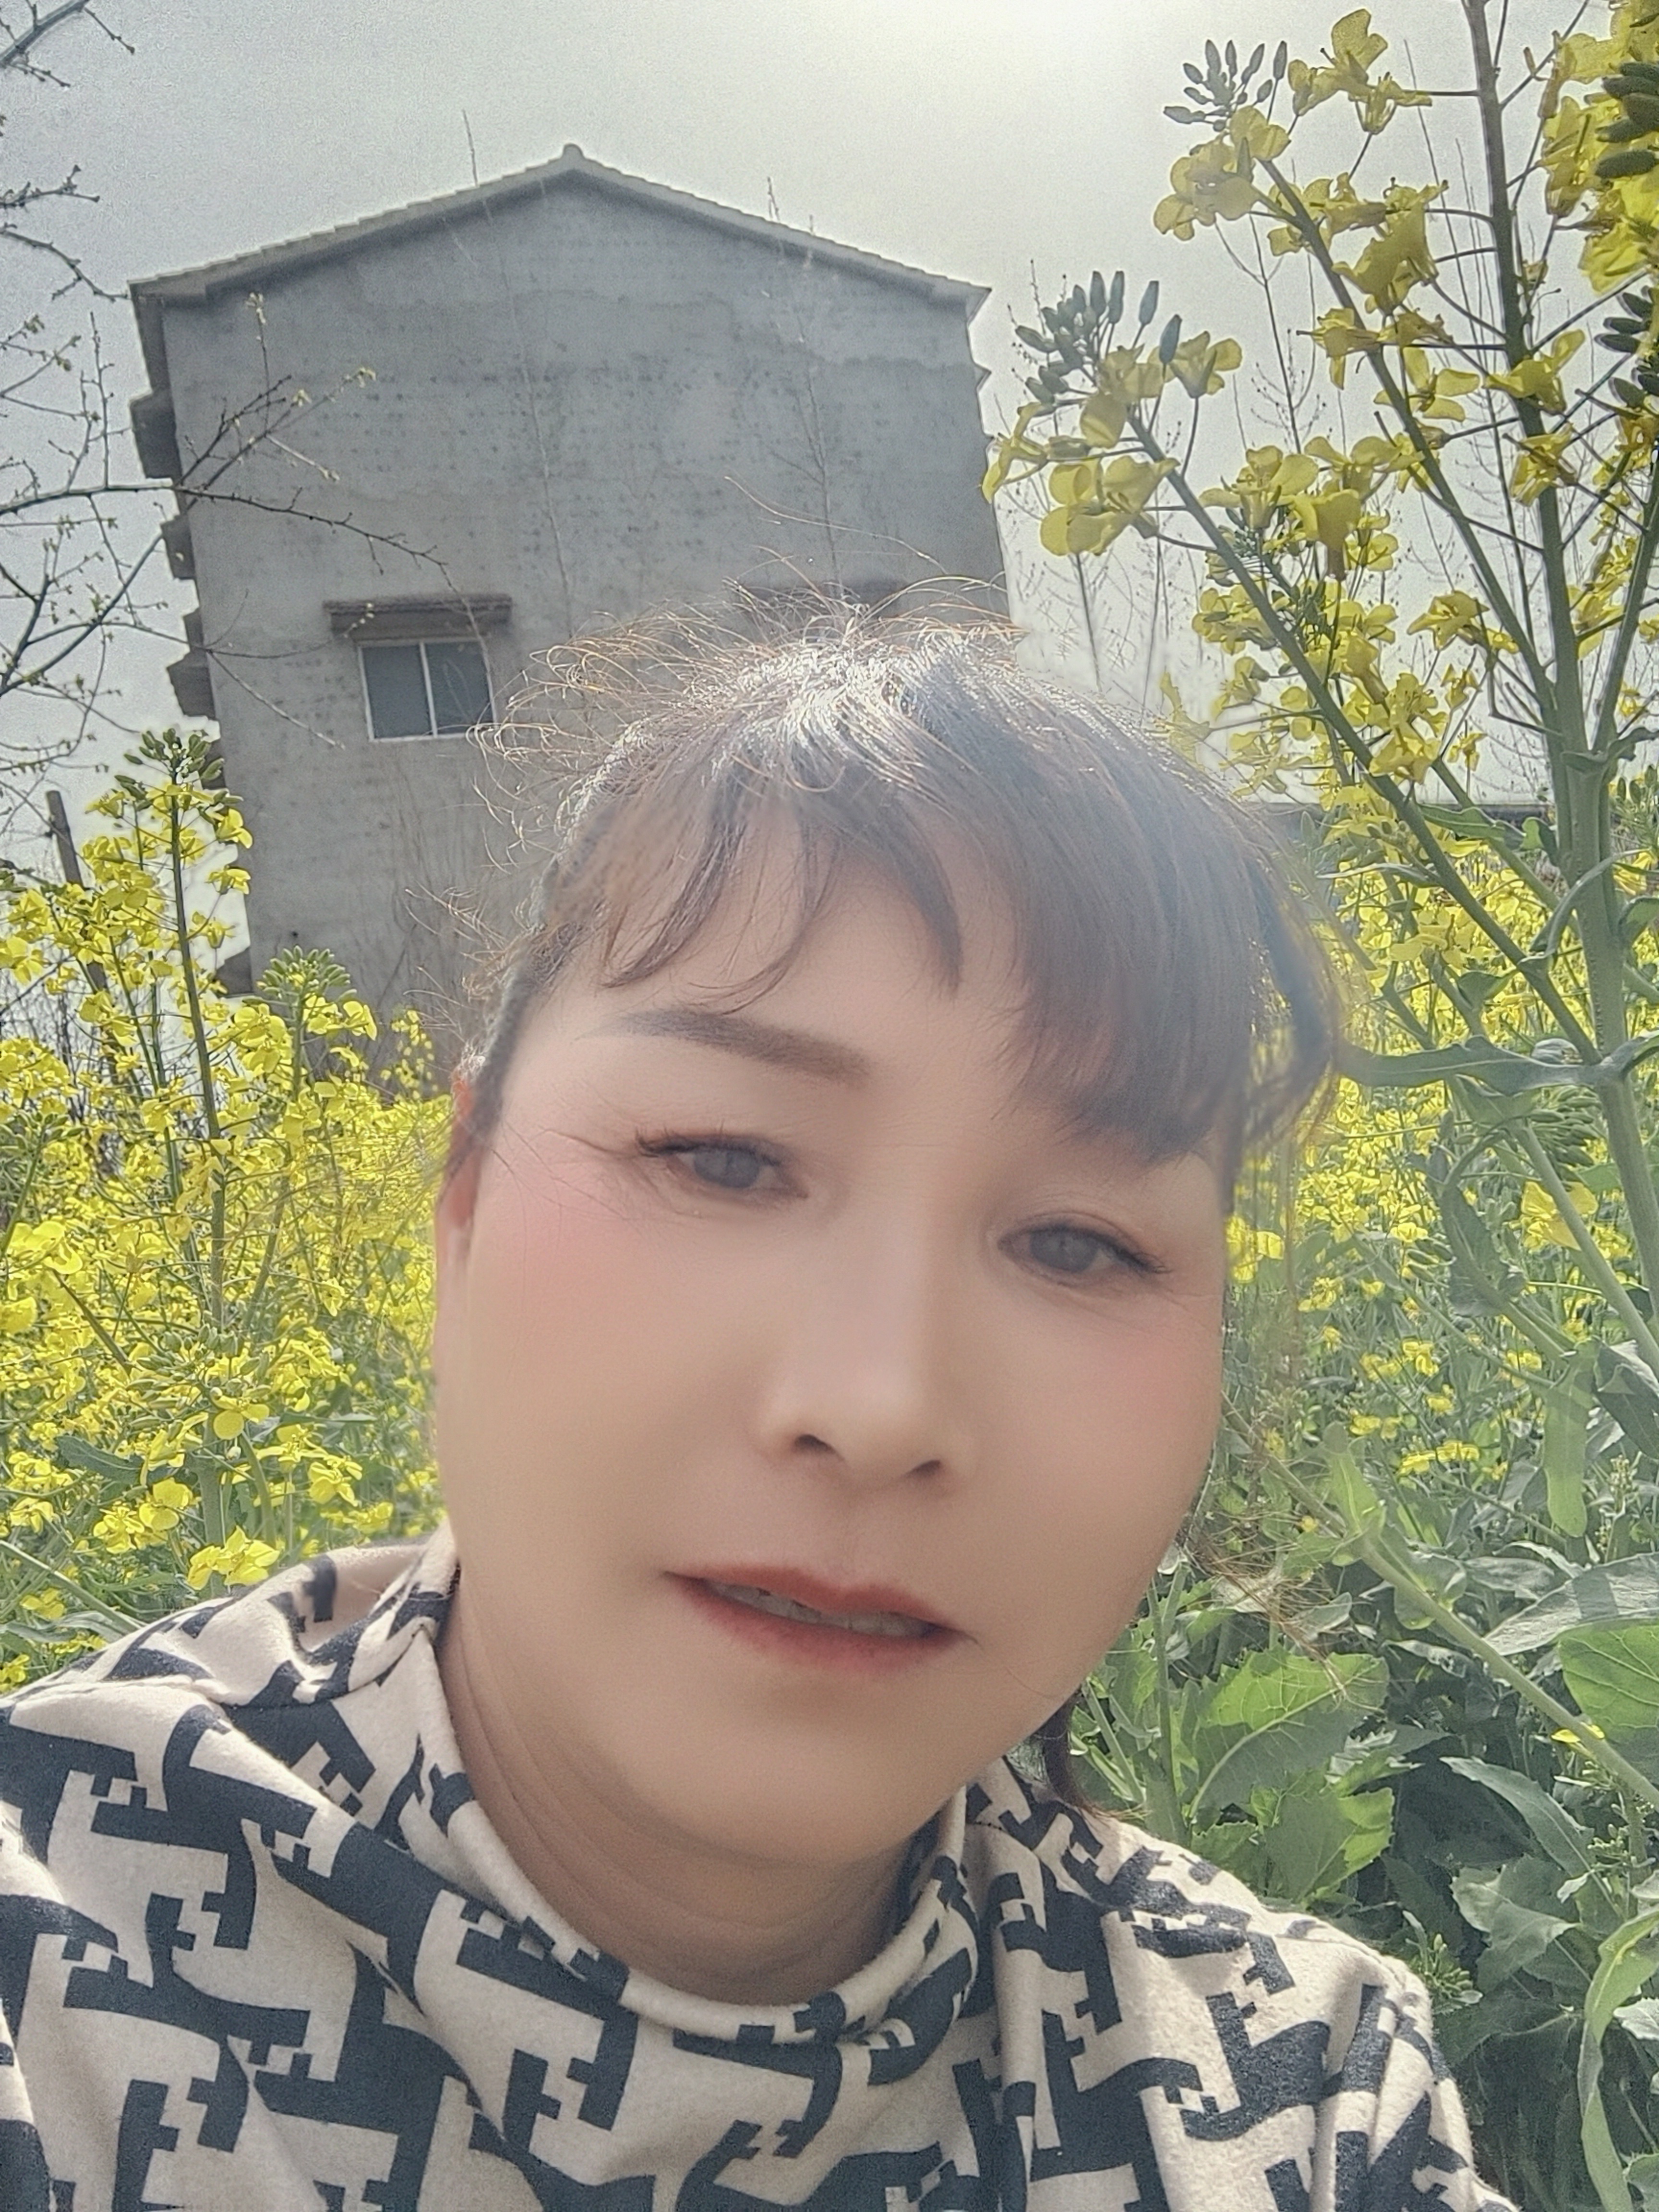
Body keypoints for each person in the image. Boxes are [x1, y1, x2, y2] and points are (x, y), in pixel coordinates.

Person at [0, 622, 1511, 2211]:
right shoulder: (55, 1993)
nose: (879, 1407)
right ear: (461, 1201)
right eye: (723, 1159)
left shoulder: (1298, 2106)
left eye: (1080, 1244)